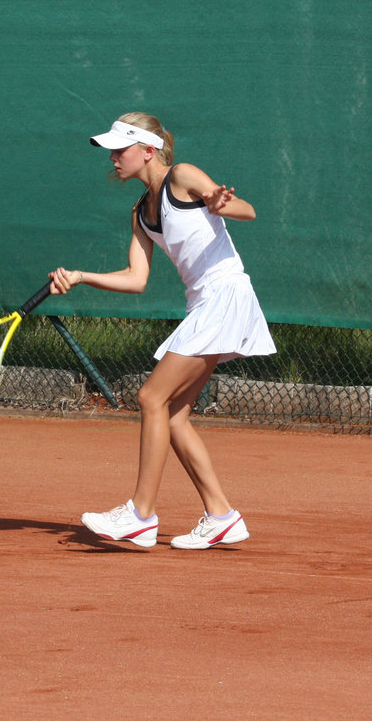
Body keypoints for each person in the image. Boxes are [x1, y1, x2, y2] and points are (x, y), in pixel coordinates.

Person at [48, 113, 275, 550]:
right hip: (203, 303)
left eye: (121, 149)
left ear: (148, 151)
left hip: (225, 295)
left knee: (152, 397)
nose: (113, 158)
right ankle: (222, 515)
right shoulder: (140, 212)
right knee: (171, 415)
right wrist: (79, 276)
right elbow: (136, 278)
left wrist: (222, 204)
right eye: (111, 150)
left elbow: (246, 210)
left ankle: (140, 514)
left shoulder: (183, 176)